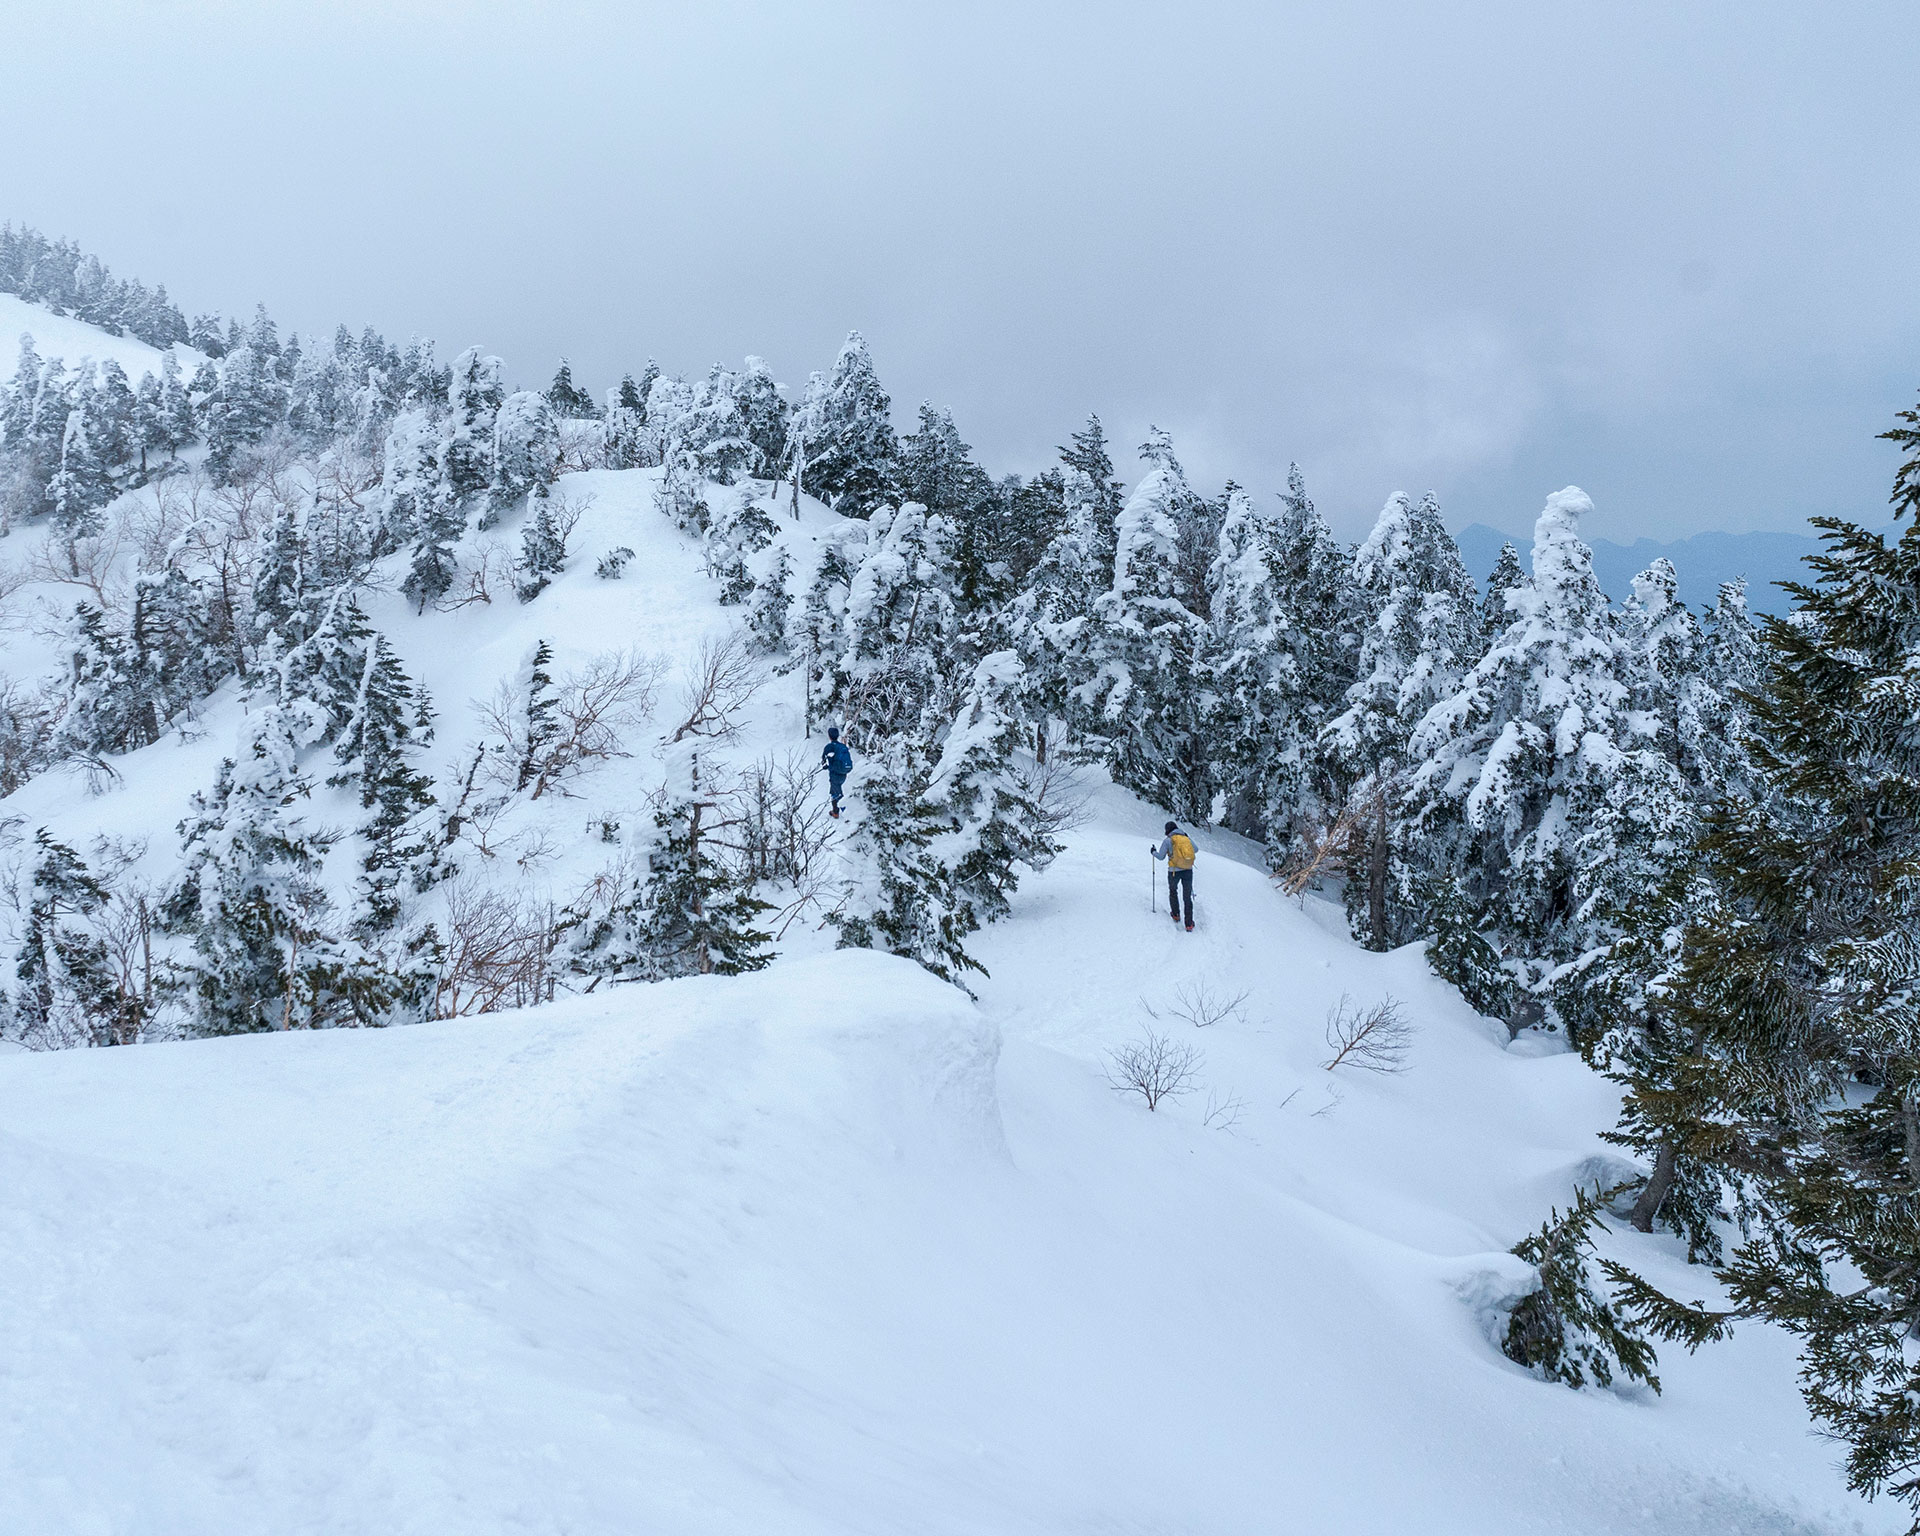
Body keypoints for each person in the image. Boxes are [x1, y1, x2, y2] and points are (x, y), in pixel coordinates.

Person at [1152, 820, 1196, 930]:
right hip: (1187, 870)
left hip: (1173, 871)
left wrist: (1153, 852)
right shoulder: (1186, 838)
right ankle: (1189, 924)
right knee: (1187, 897)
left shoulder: (1168, 840)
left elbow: (1161, 857)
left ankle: (1176, 915)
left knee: (1173, 891)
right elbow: (1196, 849)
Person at [821, 726, 853, 818]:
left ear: (829, 736)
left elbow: (824, 761)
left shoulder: (829, 747)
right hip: (843, 773)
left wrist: (826, 766)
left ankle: (844, 813)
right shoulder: (843, 746)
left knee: (836, 794)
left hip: (835, 774)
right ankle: (837, 811)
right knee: (836, 791)